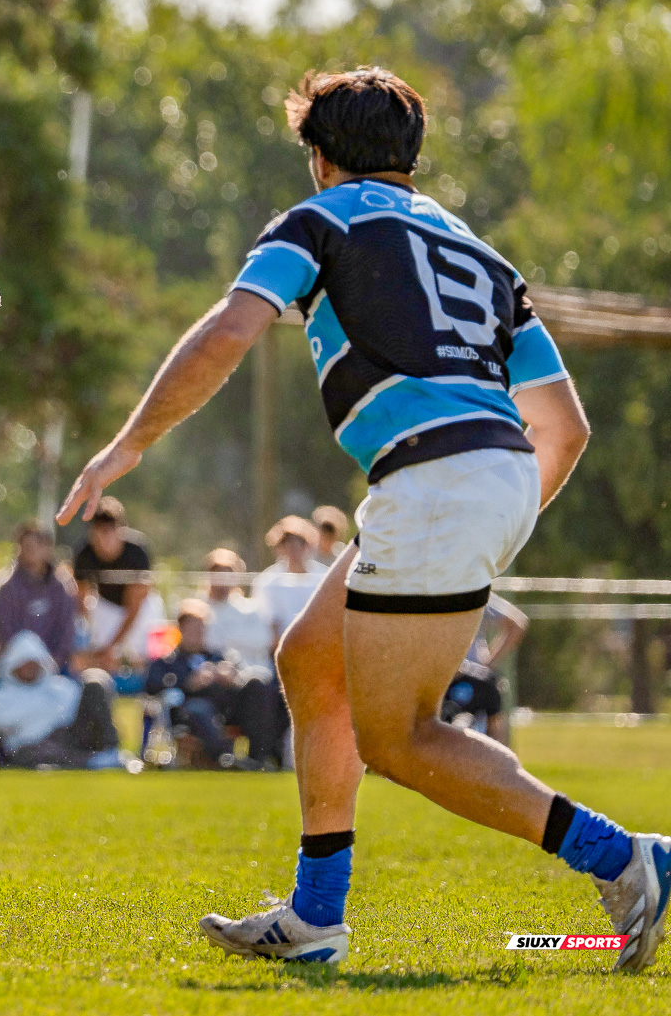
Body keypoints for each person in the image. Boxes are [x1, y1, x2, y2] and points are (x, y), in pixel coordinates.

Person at [59, 66, 666, 971]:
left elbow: (229, 330)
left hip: (435, 485)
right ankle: (315, 916)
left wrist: (128, 445)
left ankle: (629, 858)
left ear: (318, 156)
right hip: (478, 478)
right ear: (409, 156)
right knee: (308, 657)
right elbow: (565, 429)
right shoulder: (486, 256)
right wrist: (487, 522)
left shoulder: (319, 220)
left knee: (399, 738)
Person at [145, 599, 283, 769]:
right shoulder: (167, 662)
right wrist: (189, 683)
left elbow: (240, 674)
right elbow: (153, 686)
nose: (197, 632)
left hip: (228, 709)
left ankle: (259, 756)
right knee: (199, 708)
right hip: (189, 711)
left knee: (259, 683)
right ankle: (226, 758)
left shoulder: (219, 656)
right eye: (192, 628)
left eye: (201, 628)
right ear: (180, 629)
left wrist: (231, 677)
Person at [0, 631, 123, 769]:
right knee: (39, 754)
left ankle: (110, 752)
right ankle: (94, 761)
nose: (29, 668)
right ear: (13, 664)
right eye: (24, 663)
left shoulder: (60, 686)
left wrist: (32, 715)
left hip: (66, 738)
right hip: (28, 746)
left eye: (33, 663)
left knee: (95, 684)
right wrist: (47, 710)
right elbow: (2, 722)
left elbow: (78, 712)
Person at [72, 497, 165, 668]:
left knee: (151, 654)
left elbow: (135, 604)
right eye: (100, 530)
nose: (105, 536)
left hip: (141, 609)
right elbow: (81, 595)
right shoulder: (84, 554)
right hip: (105, 605)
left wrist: (113, 645)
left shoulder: (137, 552)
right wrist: (92, 634)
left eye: (110, 529)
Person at [0, 519, 81, 671]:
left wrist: (54, 662)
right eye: (26, 546)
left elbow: (67, 631)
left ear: (48, 548)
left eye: (37, 545)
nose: (31, 550)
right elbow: (5, 634)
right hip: (17, 668)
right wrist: (25, 666)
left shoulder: (62, 588)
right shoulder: (7, 589)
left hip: (56, 666)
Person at [441, 593, 528, 745]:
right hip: (440, 680)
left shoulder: (471, 592)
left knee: (484, 739)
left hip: (469, 682)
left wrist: (485, 667)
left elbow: (516, 624)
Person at [252, 516, 329, 644]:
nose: (293, 549)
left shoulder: (324, 576)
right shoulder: (268, 581)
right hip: (283, 647)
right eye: (287, 544)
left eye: (298, 543)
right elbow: (267, 619)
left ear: (306, 545)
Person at [200, 548, 275, 671]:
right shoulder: (198, 608)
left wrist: (226, 638)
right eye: (218, 573)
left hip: (250, 671)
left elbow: (263, 640)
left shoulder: (250, 609)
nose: (223, 581)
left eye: (228, 574)